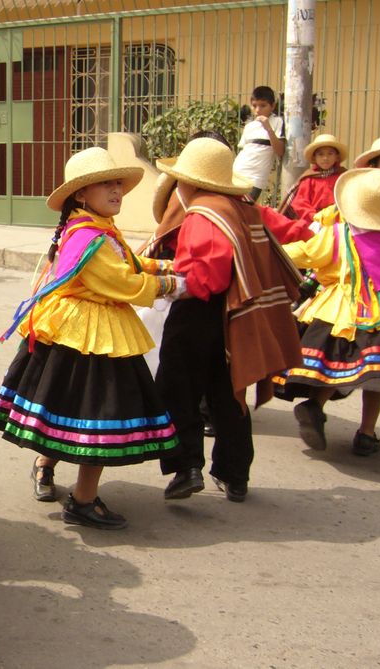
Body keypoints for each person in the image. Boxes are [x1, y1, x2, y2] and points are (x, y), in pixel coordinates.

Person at [0, 148, 182, 529]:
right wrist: (173, 284)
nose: (116, 191)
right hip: (88, 335)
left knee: (63, 409)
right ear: (81, 193)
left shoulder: (94, 227)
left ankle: (45, 465)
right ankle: (83, 500)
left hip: (74, 332)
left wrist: (164, 264)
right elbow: (121, 280)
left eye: (118, 184)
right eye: (105, 184)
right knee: (100, 419)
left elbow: (129, 262)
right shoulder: (90, 237)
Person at [144, 137, 302, 503]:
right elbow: (284, 236)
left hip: (200, 312)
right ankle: (234, 475)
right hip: (237, 314)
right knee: (228, 392)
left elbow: (204, 278)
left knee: (177, 389)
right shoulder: (243, 207)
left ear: (191, 182)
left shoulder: (204, 214)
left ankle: (187, 467)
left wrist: (162, 284)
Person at [278, 166, 380, 457]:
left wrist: (266, 249)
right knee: (376, 376)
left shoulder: (338, 234)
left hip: (340, 311)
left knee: (332, 366)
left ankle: (315, 407)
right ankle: (366, 434)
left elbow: (304, 254)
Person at [278, 133, 347, 224]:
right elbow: (300, 203)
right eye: (321, 154)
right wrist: (314, 216)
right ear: (314, 158)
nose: (325, 158)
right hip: (313, 222)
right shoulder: (308, 179)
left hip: (338, 221)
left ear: (337, 157)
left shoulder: (343, 177)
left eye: (330, 154)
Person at [233, 85, 284, 203]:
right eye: (254, 105)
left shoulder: (277, 122)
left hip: (256, 178)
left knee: (244, 207)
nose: (257, 110)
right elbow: (243, 150)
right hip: (238, 172)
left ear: (273, 106)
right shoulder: (250, 126)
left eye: (263, 105)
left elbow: (280, 151)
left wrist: (269, 129)